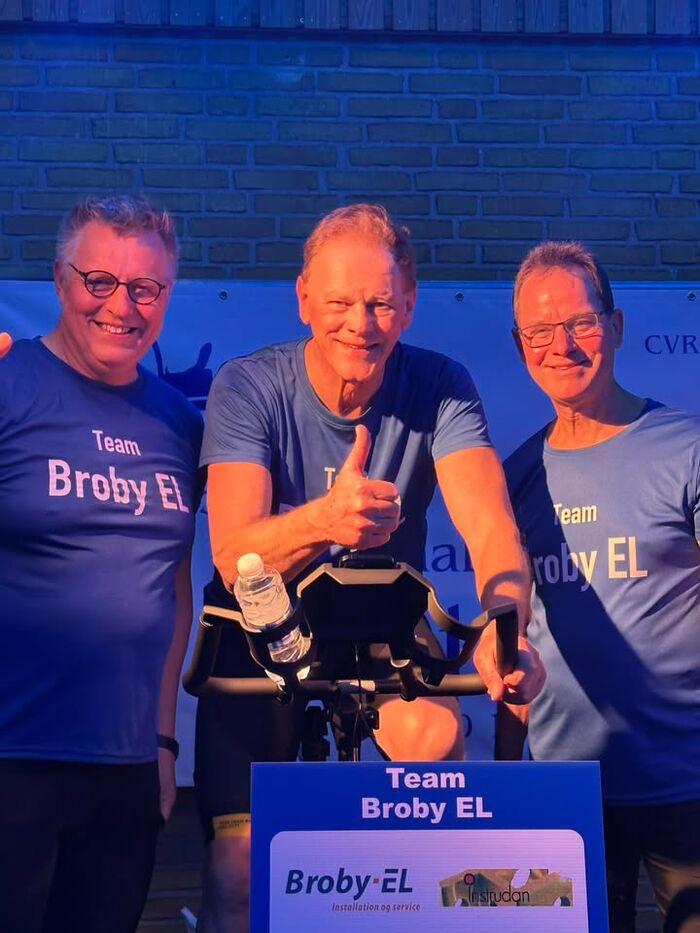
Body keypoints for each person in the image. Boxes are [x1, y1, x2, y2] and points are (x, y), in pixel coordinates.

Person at [195, 203, 545, 932]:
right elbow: (233, 555)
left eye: (382, 303)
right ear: (303, 300)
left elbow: (490, 526)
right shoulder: (248, 383)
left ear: (409, 305)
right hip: (264, 619)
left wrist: (503, 625)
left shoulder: (440, 382)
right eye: (339, 303)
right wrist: (324, 520)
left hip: (381, 615)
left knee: (433, 742)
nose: (361, 323)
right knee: (238, 869)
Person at [0, 195, 203, 933]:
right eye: (100, 281)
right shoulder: (9, 382)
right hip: (12, 757)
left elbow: (172, 588)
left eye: (145, 287)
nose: (122, 306)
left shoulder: (179, 422)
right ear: (60, 280)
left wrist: (162, 742)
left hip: (124, 773)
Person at [502, 241, 700, 933]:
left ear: (615, 326)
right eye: (539, 332)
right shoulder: (515, 476)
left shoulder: (688, 448)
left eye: (581, 323)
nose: (561, 346)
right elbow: (511, 629)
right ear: (520, 345)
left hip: (687, 785)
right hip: (564, 793)